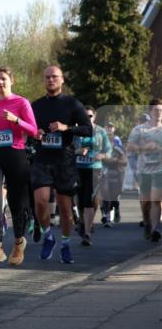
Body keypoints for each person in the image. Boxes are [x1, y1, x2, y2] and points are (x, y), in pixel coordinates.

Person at [30, 66, 92, 264]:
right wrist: (36, 134)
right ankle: (48, 235)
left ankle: (65, 243)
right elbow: (29, 129)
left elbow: (88, 130)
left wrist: (67, 128)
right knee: (40, 201)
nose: (50, 80)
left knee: (65, 208)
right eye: (47, 77)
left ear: (62, 80)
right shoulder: (36, 105)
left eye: (54, 77)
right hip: (42, 158)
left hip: (64, 160)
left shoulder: (72, 104)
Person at [0, 67, 39, 265]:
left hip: (16, 153)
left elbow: (33, 130)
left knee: (16, 202)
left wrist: (17, 120)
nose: (0, 83)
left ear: (11, 80)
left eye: (4, 79)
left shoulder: (21, 102)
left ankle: (18, 242)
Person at [74, 106, 111, 246]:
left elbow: (109, 150)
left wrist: (101, 155)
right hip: (78, 168)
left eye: (89, 116)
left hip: (94, 169)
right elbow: (68, 149)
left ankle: (87, 233)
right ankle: (83, 221)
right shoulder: (76, 131)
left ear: (94, 117)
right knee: (79, 198)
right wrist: (78, 150)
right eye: (84, 116)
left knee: (90, 199)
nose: (87, 118)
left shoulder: (101, 131)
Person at [128, 99, 162, 242]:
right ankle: (147, 223)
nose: (159, 113)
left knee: (156, 200)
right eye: (156, 110)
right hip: (143, 170)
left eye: (161, 110)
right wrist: (145, 147)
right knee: (145, 202)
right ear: (150, 112)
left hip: (159, 170)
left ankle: (155, 229)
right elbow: (130, 146)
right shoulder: (140, 129)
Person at [99, 121, 126, 226]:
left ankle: (116, 208)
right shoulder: (99, 144)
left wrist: (115, 161)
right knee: (105, 192)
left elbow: (124, 161)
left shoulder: (117, 144)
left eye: (110, 128)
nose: (108, 130)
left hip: (116, 172)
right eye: (107, 128)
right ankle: (107, 217)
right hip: (103, 171)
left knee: (114, 195)